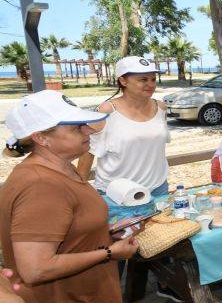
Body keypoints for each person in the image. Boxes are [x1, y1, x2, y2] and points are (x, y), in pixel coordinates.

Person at [0, 90, 138, 302]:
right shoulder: (40, 186)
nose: (88, 131)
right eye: (77, 128)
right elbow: (35, 269)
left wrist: (104, 233)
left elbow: (64, 229)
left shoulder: (62, 168)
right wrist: (109, 252)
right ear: (42, 138)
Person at [76, 56, 179, 301]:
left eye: (153, 79)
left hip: (157, 190)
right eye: (142, 79)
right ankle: (109, 296)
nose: (150, 84)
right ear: (123, 80)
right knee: (115, 255)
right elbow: (87, 153)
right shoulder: (106, 112)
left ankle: (165, 284)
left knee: (163, 244)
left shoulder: (160, 108)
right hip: (117, 198)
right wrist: (78, 191)